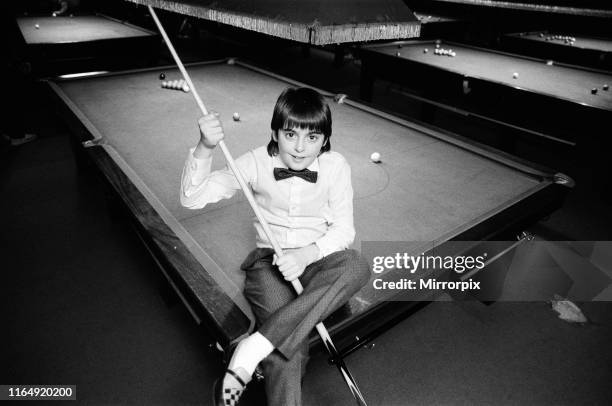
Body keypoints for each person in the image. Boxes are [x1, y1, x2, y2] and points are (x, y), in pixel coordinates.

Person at [180, 87, 370, 406]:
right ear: (275, 133)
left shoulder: (336, 166)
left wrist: (307, 254)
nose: (299, 148)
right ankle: (263, 349)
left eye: (312, 137)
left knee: (357, 265)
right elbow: (192, 197)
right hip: (269, 267)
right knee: (288, 354)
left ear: (325, 140)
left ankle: (252, 348)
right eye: (290, 134)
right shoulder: (255, 161)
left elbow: (344, 229)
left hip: (319, 261)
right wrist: (204, 147)